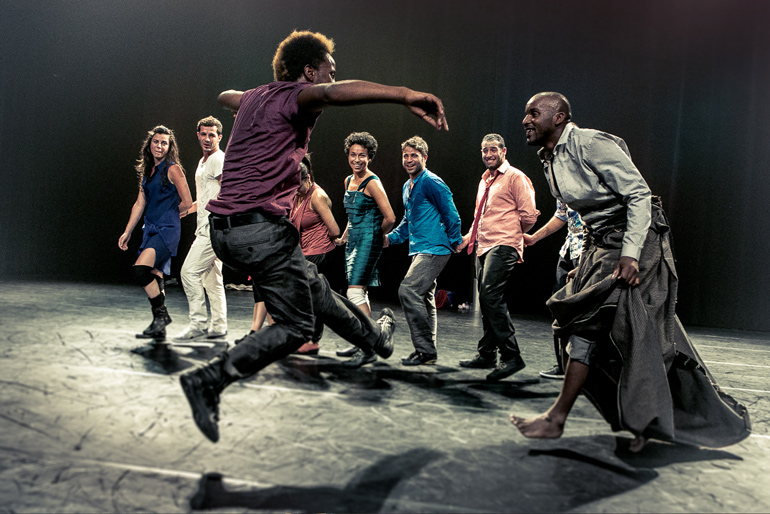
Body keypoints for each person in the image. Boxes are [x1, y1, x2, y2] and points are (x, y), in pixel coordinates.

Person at [179, 30, 448, 443]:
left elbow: (224, 95)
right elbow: (335, 94)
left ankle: (376, 340)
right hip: (260, 231)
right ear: (308, 72)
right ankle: (210, 379)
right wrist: (405, 94)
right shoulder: (296, 96)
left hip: (224, 231)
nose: (332, 78)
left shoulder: (254, 98)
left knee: (315, 288)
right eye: (328, 71)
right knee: (296, 326)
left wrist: (244, 99)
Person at [511, 92, 750, 451]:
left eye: (534, 113)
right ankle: (645, 419)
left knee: (630, 332)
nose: (526, 121)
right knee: (609, 330)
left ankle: (565, 418)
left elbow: (638, 195)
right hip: (604, 244)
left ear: (558, 117)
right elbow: (588, 216)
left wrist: (631, 256)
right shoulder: (550, 158)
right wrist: (587, 262)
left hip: (637, 240)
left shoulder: (589, 144)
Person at [456, 134, 539, 382]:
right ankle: (487, 354)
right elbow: (479, 217)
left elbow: (529, 216)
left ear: (504, 151)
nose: (488, 154)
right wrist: (467, 238)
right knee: (487, 298)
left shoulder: (515, 177)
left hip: (504, 244)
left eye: (493, 149)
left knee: (490, 295)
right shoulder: (484, 180)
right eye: (484, 150)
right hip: (483, 245)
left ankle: (512, 356)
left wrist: (512, 232)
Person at [384, 136, 462, 365]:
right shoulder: (407, 186)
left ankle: (425, 350)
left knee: (408, 291)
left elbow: (451, 213)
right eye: (405, 156)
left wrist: (455, 240)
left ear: (424, 157)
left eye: (414, 155)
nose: (409, 160)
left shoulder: (431, 181)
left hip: (435, 248)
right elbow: (408, 221)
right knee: (426, 298)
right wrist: (390, 239)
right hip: (420, 248)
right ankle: (428, 351)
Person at [119, 126, 193, 339]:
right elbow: (139, 203)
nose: (159, 146)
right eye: (156, 141)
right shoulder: (147, 170)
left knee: (140, 270)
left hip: (167, 230)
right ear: (150, 144)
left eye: (164, 143)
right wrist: (127, 231)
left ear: (170, 147)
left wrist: (171, 213)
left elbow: (187, 202)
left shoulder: (173, 169)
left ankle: (162, 315)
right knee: (155, 274)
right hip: (150, 229)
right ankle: (159, 325)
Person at [333, 132, 396, 366]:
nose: (357, 159)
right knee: (361, 292)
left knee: (353, 293)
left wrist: (375, 234)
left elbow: (390, 217)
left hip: (368, 240)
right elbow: (353, 216)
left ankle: (369, 345)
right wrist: (344, 237)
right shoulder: (348, 181)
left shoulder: (372, 182)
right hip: (353, 242)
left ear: (369, 157)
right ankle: (363, 341)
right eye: (353, 154)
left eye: (362, 155)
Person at [174, 116, 228, 341]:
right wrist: (186, 211)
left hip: (213, 230)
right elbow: (206, 196)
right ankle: (219, 326)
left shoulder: (218, 159)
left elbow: (228, 191)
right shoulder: (203, 162)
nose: (207, 139)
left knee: (188, 273)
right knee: (212, 280)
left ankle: (197, 324)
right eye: (204, 134)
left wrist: (220, 220)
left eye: (212, 135)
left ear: (219, 137)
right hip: (205, 227)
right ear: (198, 135)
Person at [523, 201, 585, 379]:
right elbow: (561, 215)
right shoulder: (561, 187)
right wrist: (534, 238)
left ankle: (580, 367)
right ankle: (563, 365)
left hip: (588, 251)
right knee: (558, 307)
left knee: (581, 312)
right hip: (569, 250)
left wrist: (588, 256)